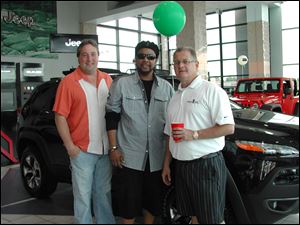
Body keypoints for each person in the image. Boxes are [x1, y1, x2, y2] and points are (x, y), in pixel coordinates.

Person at [162, 47, 235, 224]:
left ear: (196, 64)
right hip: (182, 167)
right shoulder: (175, 96)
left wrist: (193, 134)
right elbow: (169, 134)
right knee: (193, 216)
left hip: (206, 166)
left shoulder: (211, 91)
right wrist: (166, 164)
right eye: (177, 62)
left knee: (212, 219)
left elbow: (228, 127)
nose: (181, 65)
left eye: (185, 61)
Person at [105, 41, 174, 224]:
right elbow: (111, 116)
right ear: (135, 59)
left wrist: (168, 160)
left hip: (157, 158)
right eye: (142, 56)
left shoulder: (167, 88)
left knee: (153, 204)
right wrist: (113, 148)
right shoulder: (122, 84)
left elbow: (171, 124)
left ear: (156, 60)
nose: (146, 60)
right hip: (128, 157)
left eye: (150, 57)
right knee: (128, 207)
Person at [53, 39, 115, 224]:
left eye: (93, 54)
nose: (90, 59)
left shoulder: (107, 79)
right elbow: (60, 116)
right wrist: (70, 146)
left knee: (103, 195)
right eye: (85, 55)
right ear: (78, 58)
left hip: (105, 151)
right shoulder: (69, 82)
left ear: (98, 56)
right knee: (82, 198)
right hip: (82, 152)